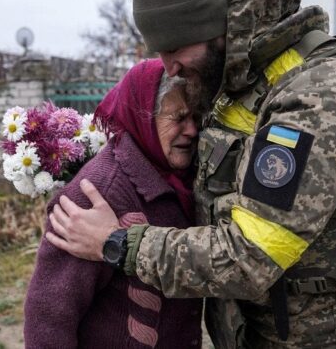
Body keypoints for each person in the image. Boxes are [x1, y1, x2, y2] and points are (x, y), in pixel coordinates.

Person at [45, 0, 336, 347]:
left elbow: (249, 257)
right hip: (252, 330)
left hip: (307, 337)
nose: (169, 68)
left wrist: (116, 243)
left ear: (222, 27)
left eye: (174, 47)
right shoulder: (250, 80)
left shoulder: (320, 97)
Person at [24, 59, 204, 348]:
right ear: (141, 118)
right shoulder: (97, 193)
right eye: (178, 117)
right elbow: (49, 314)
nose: (192, 130)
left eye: (195, 117)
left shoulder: (181, 180)